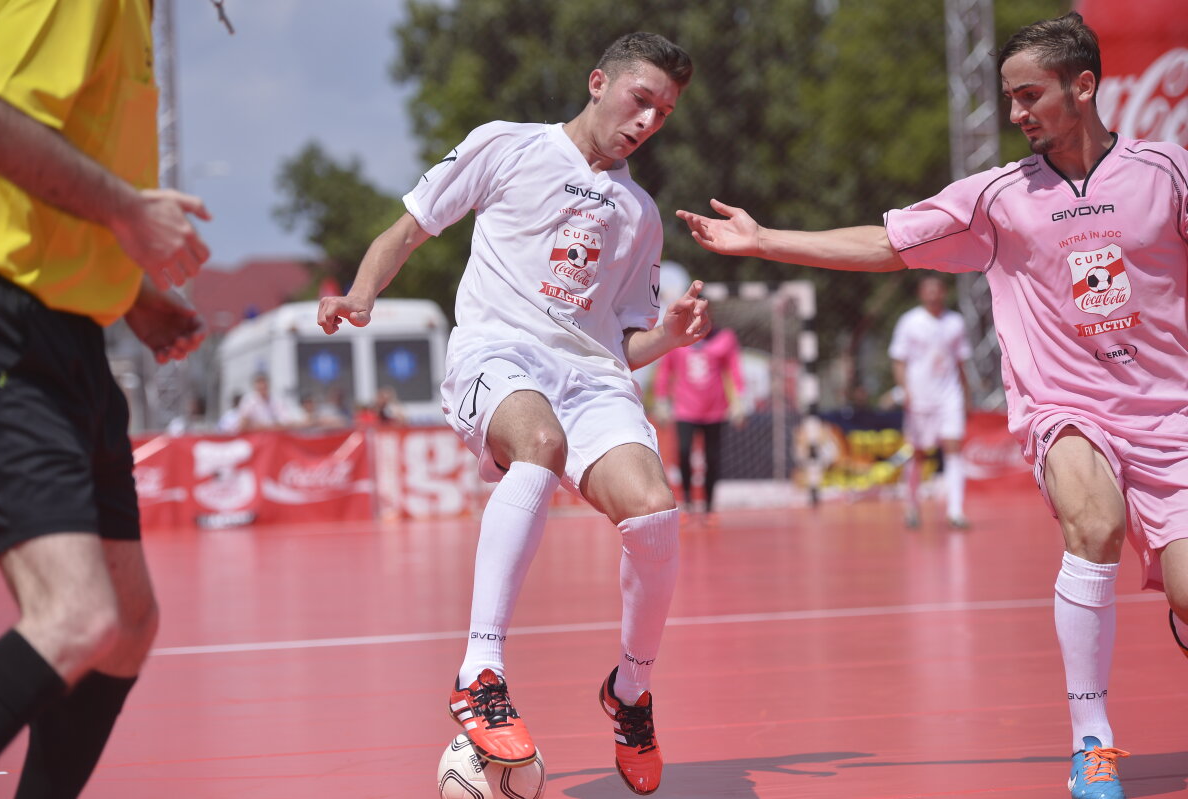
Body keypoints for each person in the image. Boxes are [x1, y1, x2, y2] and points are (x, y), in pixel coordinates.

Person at [677, 12, 1187, 797]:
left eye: (1030, 95)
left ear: (1083, 87)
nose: (1015, 113)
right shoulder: (998, 197)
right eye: (1008, 97)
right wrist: (765, 239)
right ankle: (1093, 741)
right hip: (1066, 409)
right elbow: (887, 244)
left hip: (1169, 417)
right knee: (1094, 524)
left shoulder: (1166, 173)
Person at [319, 32, 703, 795]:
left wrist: (669, 336)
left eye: (663, 112)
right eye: (640, 100)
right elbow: (411, 227)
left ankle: (630, 692)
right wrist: (363, 291)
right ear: (599, 83)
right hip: (500, 355)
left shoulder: (641, 214)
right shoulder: (507, 147)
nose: (648, 121)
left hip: (592, 378)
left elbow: (621, 343)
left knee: (655, 511)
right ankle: (480, 670)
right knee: (540, 443)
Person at [0, 0, 211, 795]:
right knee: (76, 617)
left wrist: (130, 294)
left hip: (69, 329)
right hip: (6, 321)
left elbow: (50, 184)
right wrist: (126, 209)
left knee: (125, 625)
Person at [887, 275, 971, 529]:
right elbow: (899, 360)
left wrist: (967, 396)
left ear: (944, 292)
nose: (933, 295)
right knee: (918, 453)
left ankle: (955, 511)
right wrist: (905, 390)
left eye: (937, 290)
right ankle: (911, 506)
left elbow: (960, 362)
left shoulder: (955, 322)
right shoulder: (910, 322)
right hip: (920, 398)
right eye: (928, 290)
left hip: (949, 396)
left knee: (953, 447)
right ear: (921, 294)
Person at [653, 326, 745, 523]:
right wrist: (661, 399)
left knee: (712, 457)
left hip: (715, 410)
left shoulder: (724, 338)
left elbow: (734, 368)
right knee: (684, 452)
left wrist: (740, 399)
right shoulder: (677, 338)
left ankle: (709, 506)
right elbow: (665, 370)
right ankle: (686, 502)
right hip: (685, 409)